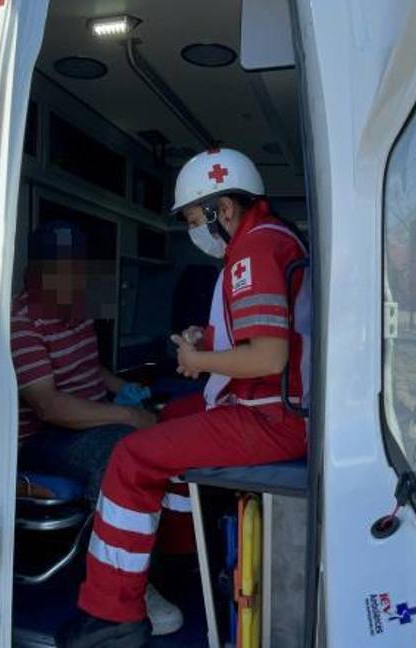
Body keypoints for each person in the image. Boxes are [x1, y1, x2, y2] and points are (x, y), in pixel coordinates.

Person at [57, 148, 310, 647]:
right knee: (167, 416)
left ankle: (112, 616)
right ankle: (174, 554)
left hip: (269, 417)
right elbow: (264, 339)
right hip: (275, 407)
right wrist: (208, 341)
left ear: (224, 209)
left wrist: (198, 362)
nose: (196, 231)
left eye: (196, 219)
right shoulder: (270, 240)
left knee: (130, 456)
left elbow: (268, 357)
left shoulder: (254, 250)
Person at [11, 220, 184, 635]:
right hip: (42, 439)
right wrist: (126, 416)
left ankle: (159, 557)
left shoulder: (74, 308)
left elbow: (92, 370)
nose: (76, 280)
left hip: (87, 418)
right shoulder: (22, 322)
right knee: (125, 450)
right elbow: (48, 406)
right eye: (65, 271)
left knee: (167, 424)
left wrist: (128, 391)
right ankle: (123, 585)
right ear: (37, 274)